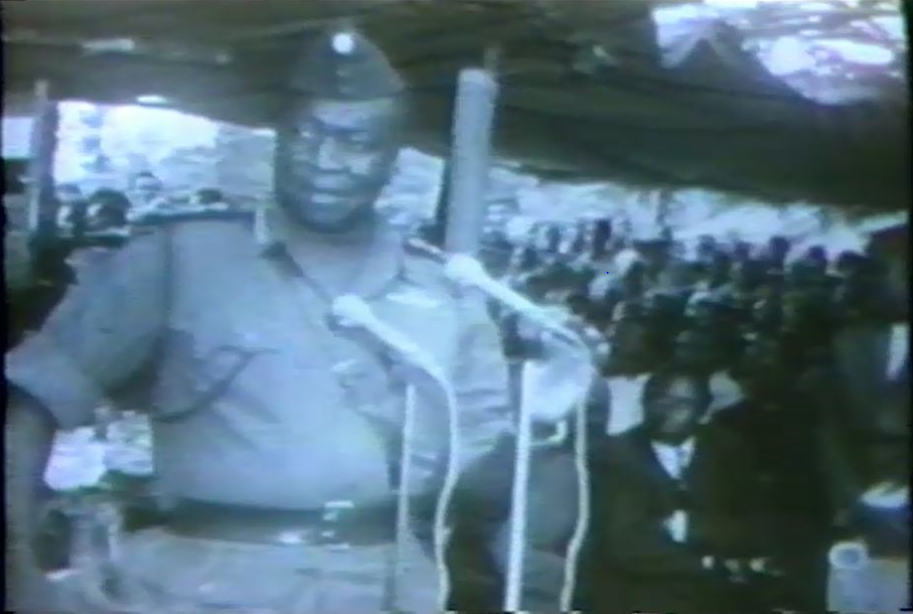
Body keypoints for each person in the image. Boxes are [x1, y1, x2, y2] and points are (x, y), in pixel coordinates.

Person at [6, 29, 583, 613]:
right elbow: (34, 401)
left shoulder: (444, 291)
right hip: (204, 586)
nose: (324, 162)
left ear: (391, 158)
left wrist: (540, 417)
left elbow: (481, 488)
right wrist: (18, 562)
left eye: (355, 143)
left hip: (382, 588)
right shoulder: (183, 258)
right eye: (306, 134)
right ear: (279, 137)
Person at [581, 368, 774, 613]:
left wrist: (690, 527)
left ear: (703, 411)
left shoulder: (728, 449)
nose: (666, 411)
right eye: (657, 400)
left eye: (681, 403)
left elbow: (757, 528)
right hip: (641, 594)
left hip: (718, 596)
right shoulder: (617, 454)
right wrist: (708, 562)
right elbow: (624, 543)